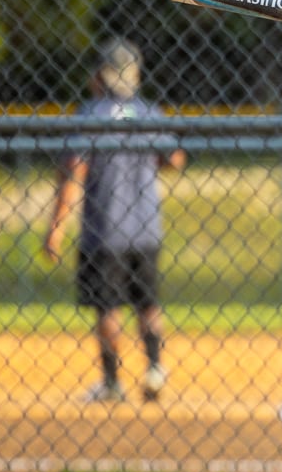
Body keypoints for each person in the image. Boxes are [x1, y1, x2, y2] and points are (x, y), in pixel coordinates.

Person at [43, 39, 186, 403]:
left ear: (100, 76)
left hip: (104, 230)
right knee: (148, 304)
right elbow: (175, 159)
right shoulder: (147, 112)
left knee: (108, 307)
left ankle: (112, 383)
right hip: (146, 227)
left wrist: (56, 229)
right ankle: (154, 368)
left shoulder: (91, 114)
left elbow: (76, 169)